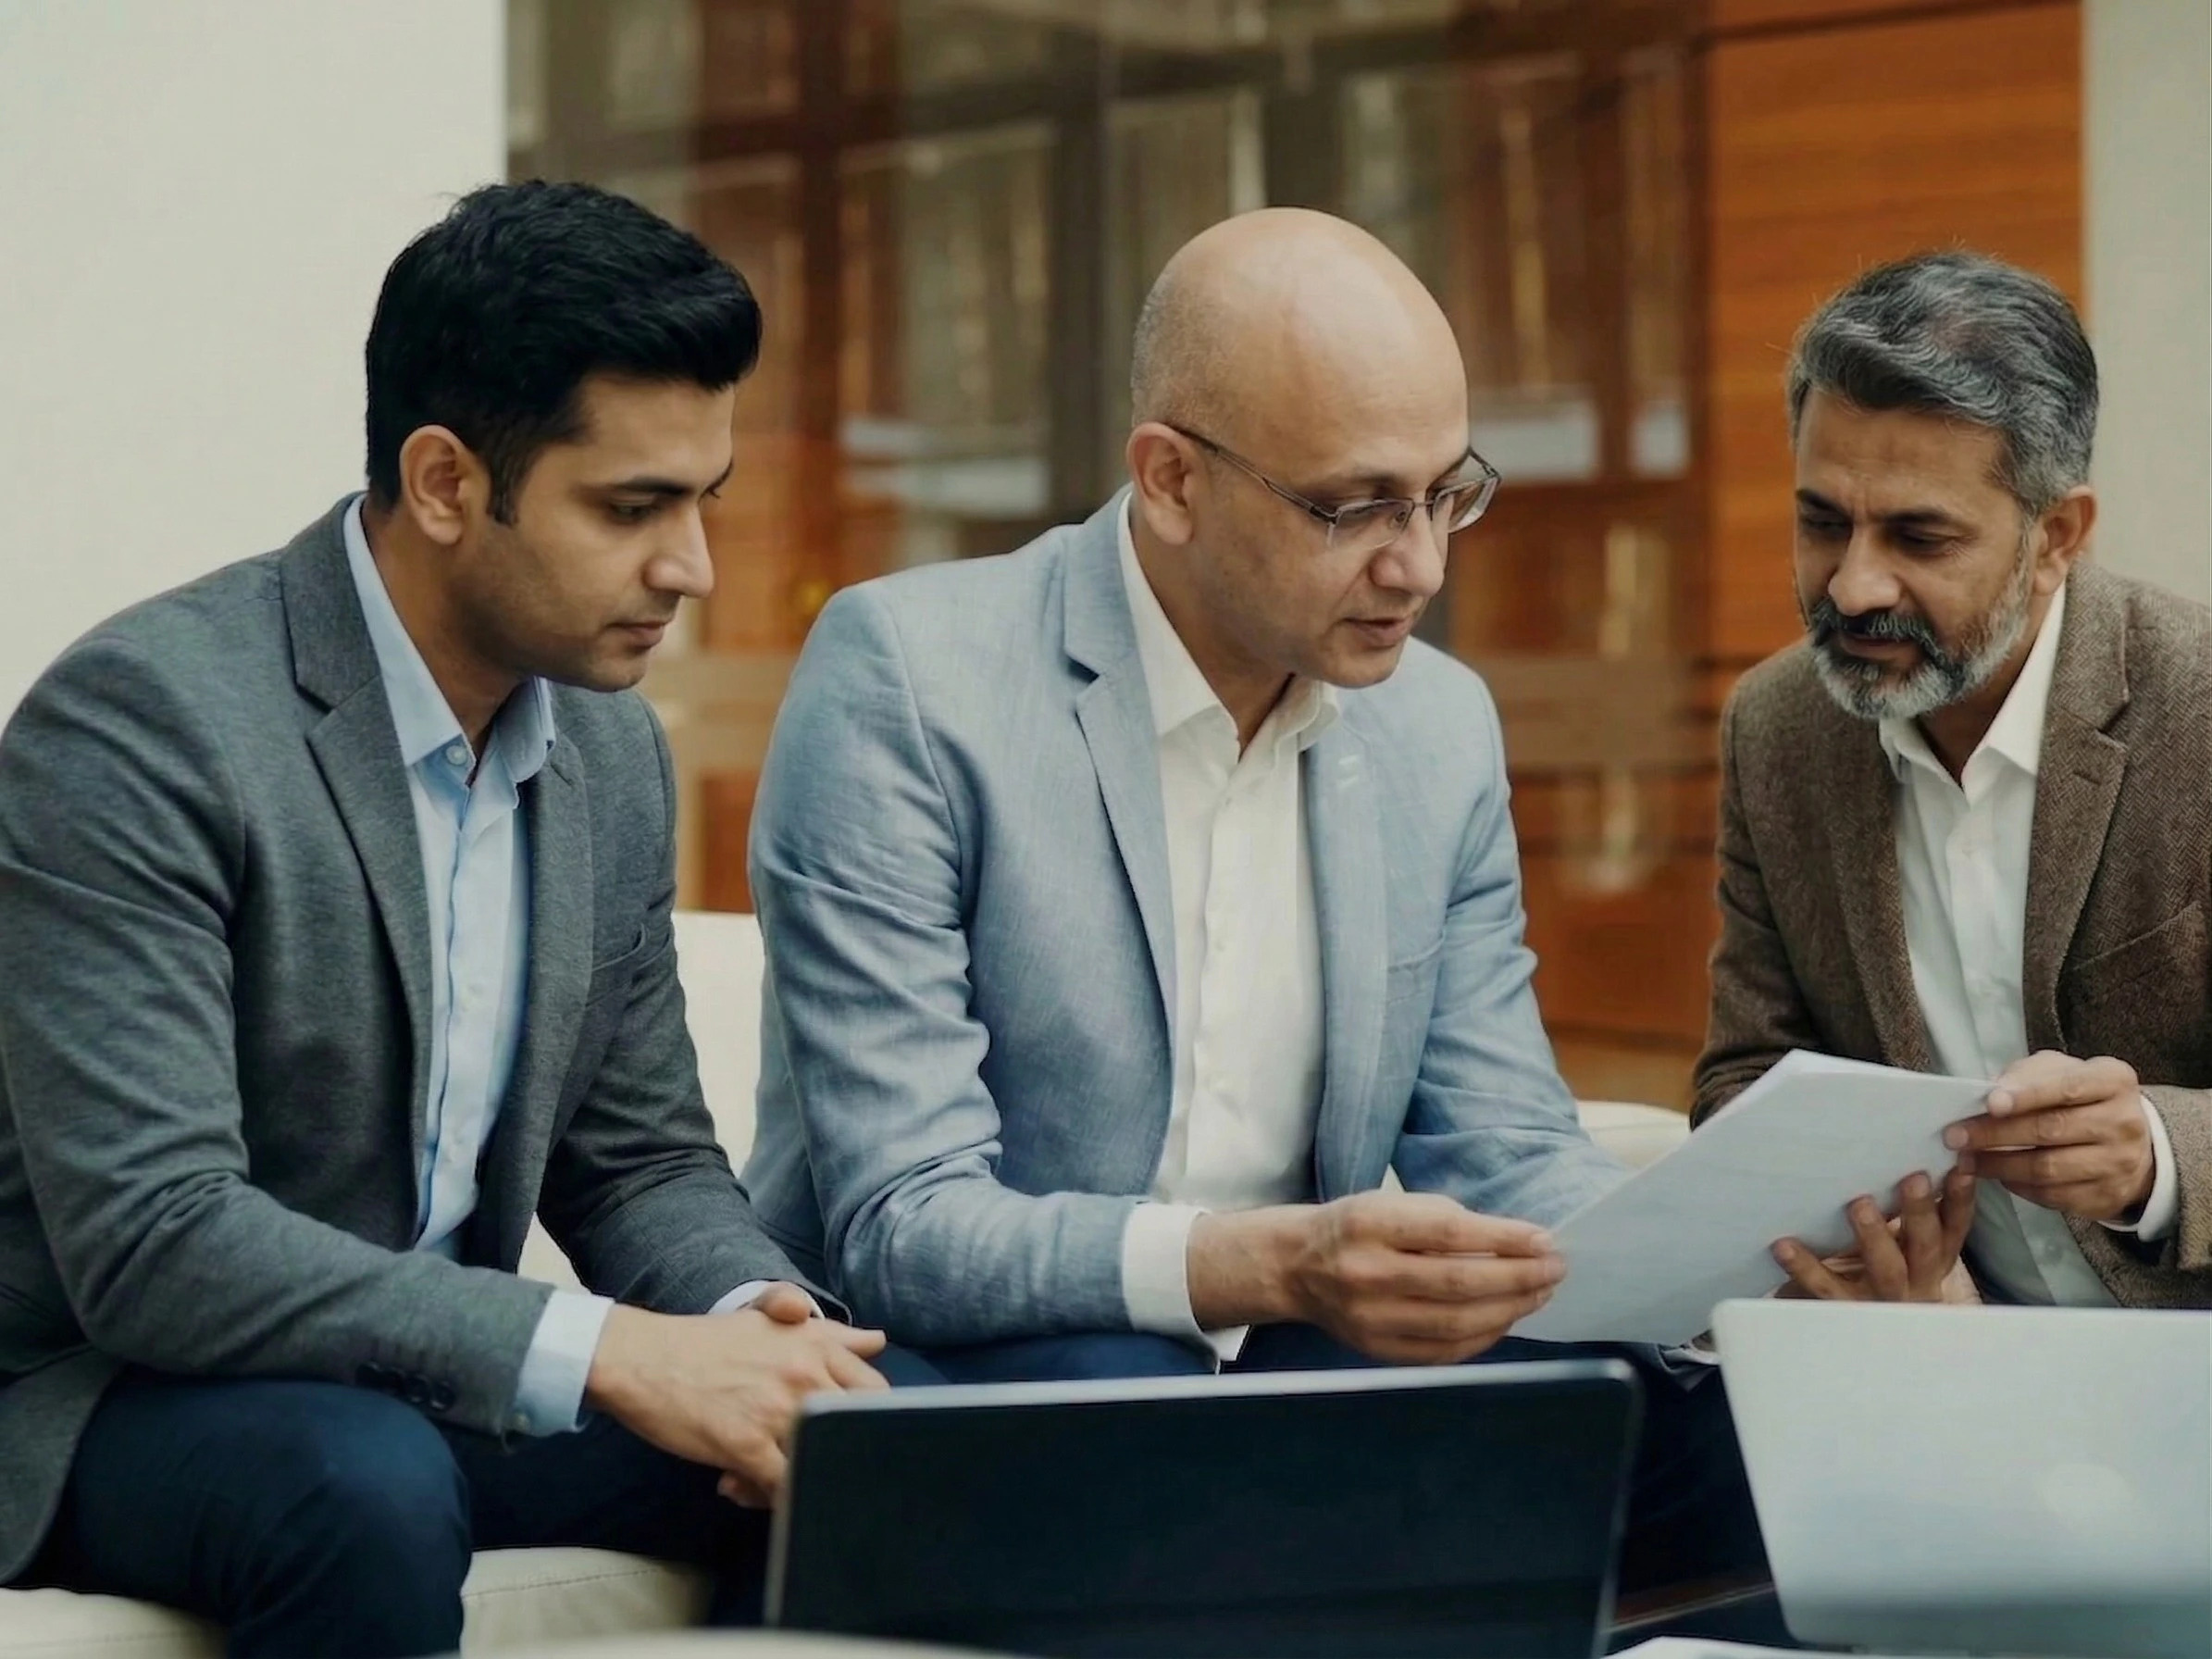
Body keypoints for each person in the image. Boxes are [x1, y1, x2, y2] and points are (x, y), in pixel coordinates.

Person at [745, 207, 1764, 1591]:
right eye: (1354, 508)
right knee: (1166, 1421)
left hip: (1298, 1360)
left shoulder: (1434, 727)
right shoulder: (913, 682)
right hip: (998, 1354)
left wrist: (1741, 1285)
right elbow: (907, 1227)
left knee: (1758, 1438)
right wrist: (1266, 1267)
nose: (1418, 565)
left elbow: (1507, 1152)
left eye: (1445, 492)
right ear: (1168, 479)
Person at [0, 182, 914, 1659]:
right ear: (441, 483)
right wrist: (607, 1351)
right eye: (632, 507)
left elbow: (636, 1162)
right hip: (106, 1387)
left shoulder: (608, 751)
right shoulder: (143, 726)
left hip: (423, 1383)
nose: (691, 566)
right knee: (358, 1488)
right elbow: (158, 1239)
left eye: (702, 501)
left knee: (882, 1435)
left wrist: (758, 1326)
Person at [1697, 250, 2210, 1309]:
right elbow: (1743, 1082)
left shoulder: (2193, 710)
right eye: (1820, 522)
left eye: (1917, 536)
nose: (1852, 585)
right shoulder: (1776, 729)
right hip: (1934, 1372)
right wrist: (1856, 1249)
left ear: (2053, 538)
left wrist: (2158, 1157)